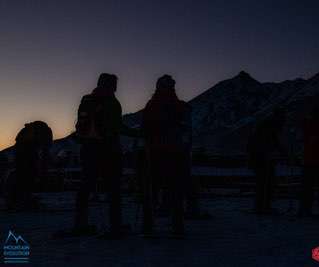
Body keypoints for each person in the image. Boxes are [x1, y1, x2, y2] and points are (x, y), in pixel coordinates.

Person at [67, 73, 137, 238]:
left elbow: (81, 123)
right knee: (113, 188)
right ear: (112, 86)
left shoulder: (86, 99)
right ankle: (115, 225)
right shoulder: (112, 102)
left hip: (87, 148)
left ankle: (80, 224)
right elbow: (117, 127)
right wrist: (139, 134)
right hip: (108, 150)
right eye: (114, 84)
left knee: (85, 186)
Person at [142, 75, 187, 237]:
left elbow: (145, 128)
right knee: (174, 189)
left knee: (153, 189)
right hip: (174, 152)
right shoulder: (178, 106)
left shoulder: (152, 105)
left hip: (155, 152)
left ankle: (148, 226)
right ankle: (177, 226)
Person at [247, 108, 286, 214]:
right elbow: (266, 142)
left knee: (266, 182)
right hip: (261, 158)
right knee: (264, 182)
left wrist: (282, 152)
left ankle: (264, 206)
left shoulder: (268, 125)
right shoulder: (269, 126)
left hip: (262, 157)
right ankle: (262, 206)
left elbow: (274, 142)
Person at [7, 121, 52, 211]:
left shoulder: (29, 132)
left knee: (25, 175)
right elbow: (43, 152)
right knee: (27, 176)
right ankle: (21, 200)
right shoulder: (40, 133)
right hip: (25, 152)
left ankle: (19, 199)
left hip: (23, 151)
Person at [298, 106, 319, 217]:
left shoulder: (308, 125)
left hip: (312, 160)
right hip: (315, 160)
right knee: (317, 186)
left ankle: (307, 208)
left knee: (309, 186)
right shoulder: (314, 126)